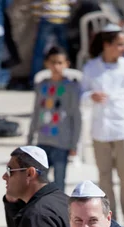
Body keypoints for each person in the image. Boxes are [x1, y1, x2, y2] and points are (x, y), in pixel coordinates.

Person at [81, 25, 124, 227]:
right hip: (100, 129)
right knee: (104, 176)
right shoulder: (91, 67)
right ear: (107, 45)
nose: (123, 48)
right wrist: (91, 96)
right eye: (119, 44)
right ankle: (110, 215)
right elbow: (80, 96)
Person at [27, 46, 81, 192]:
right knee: (38, 181)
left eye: (60, 62)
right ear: (47, 64)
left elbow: (75, 116)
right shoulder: (42, 85)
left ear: (67, 64)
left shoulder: (71, 88)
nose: (56, 66)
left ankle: (59, 212)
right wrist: (30, 137)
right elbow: (36, 112)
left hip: (62, 143)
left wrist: (74, 144)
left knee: (59, 182)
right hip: (43, 141)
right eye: (53, 62)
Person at [30, 0, 71, 85]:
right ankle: (35, 81)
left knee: (63, 54)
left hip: (62, 19)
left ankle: (67, 79)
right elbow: (35, 4)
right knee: (39, 51)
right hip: (47, 18)